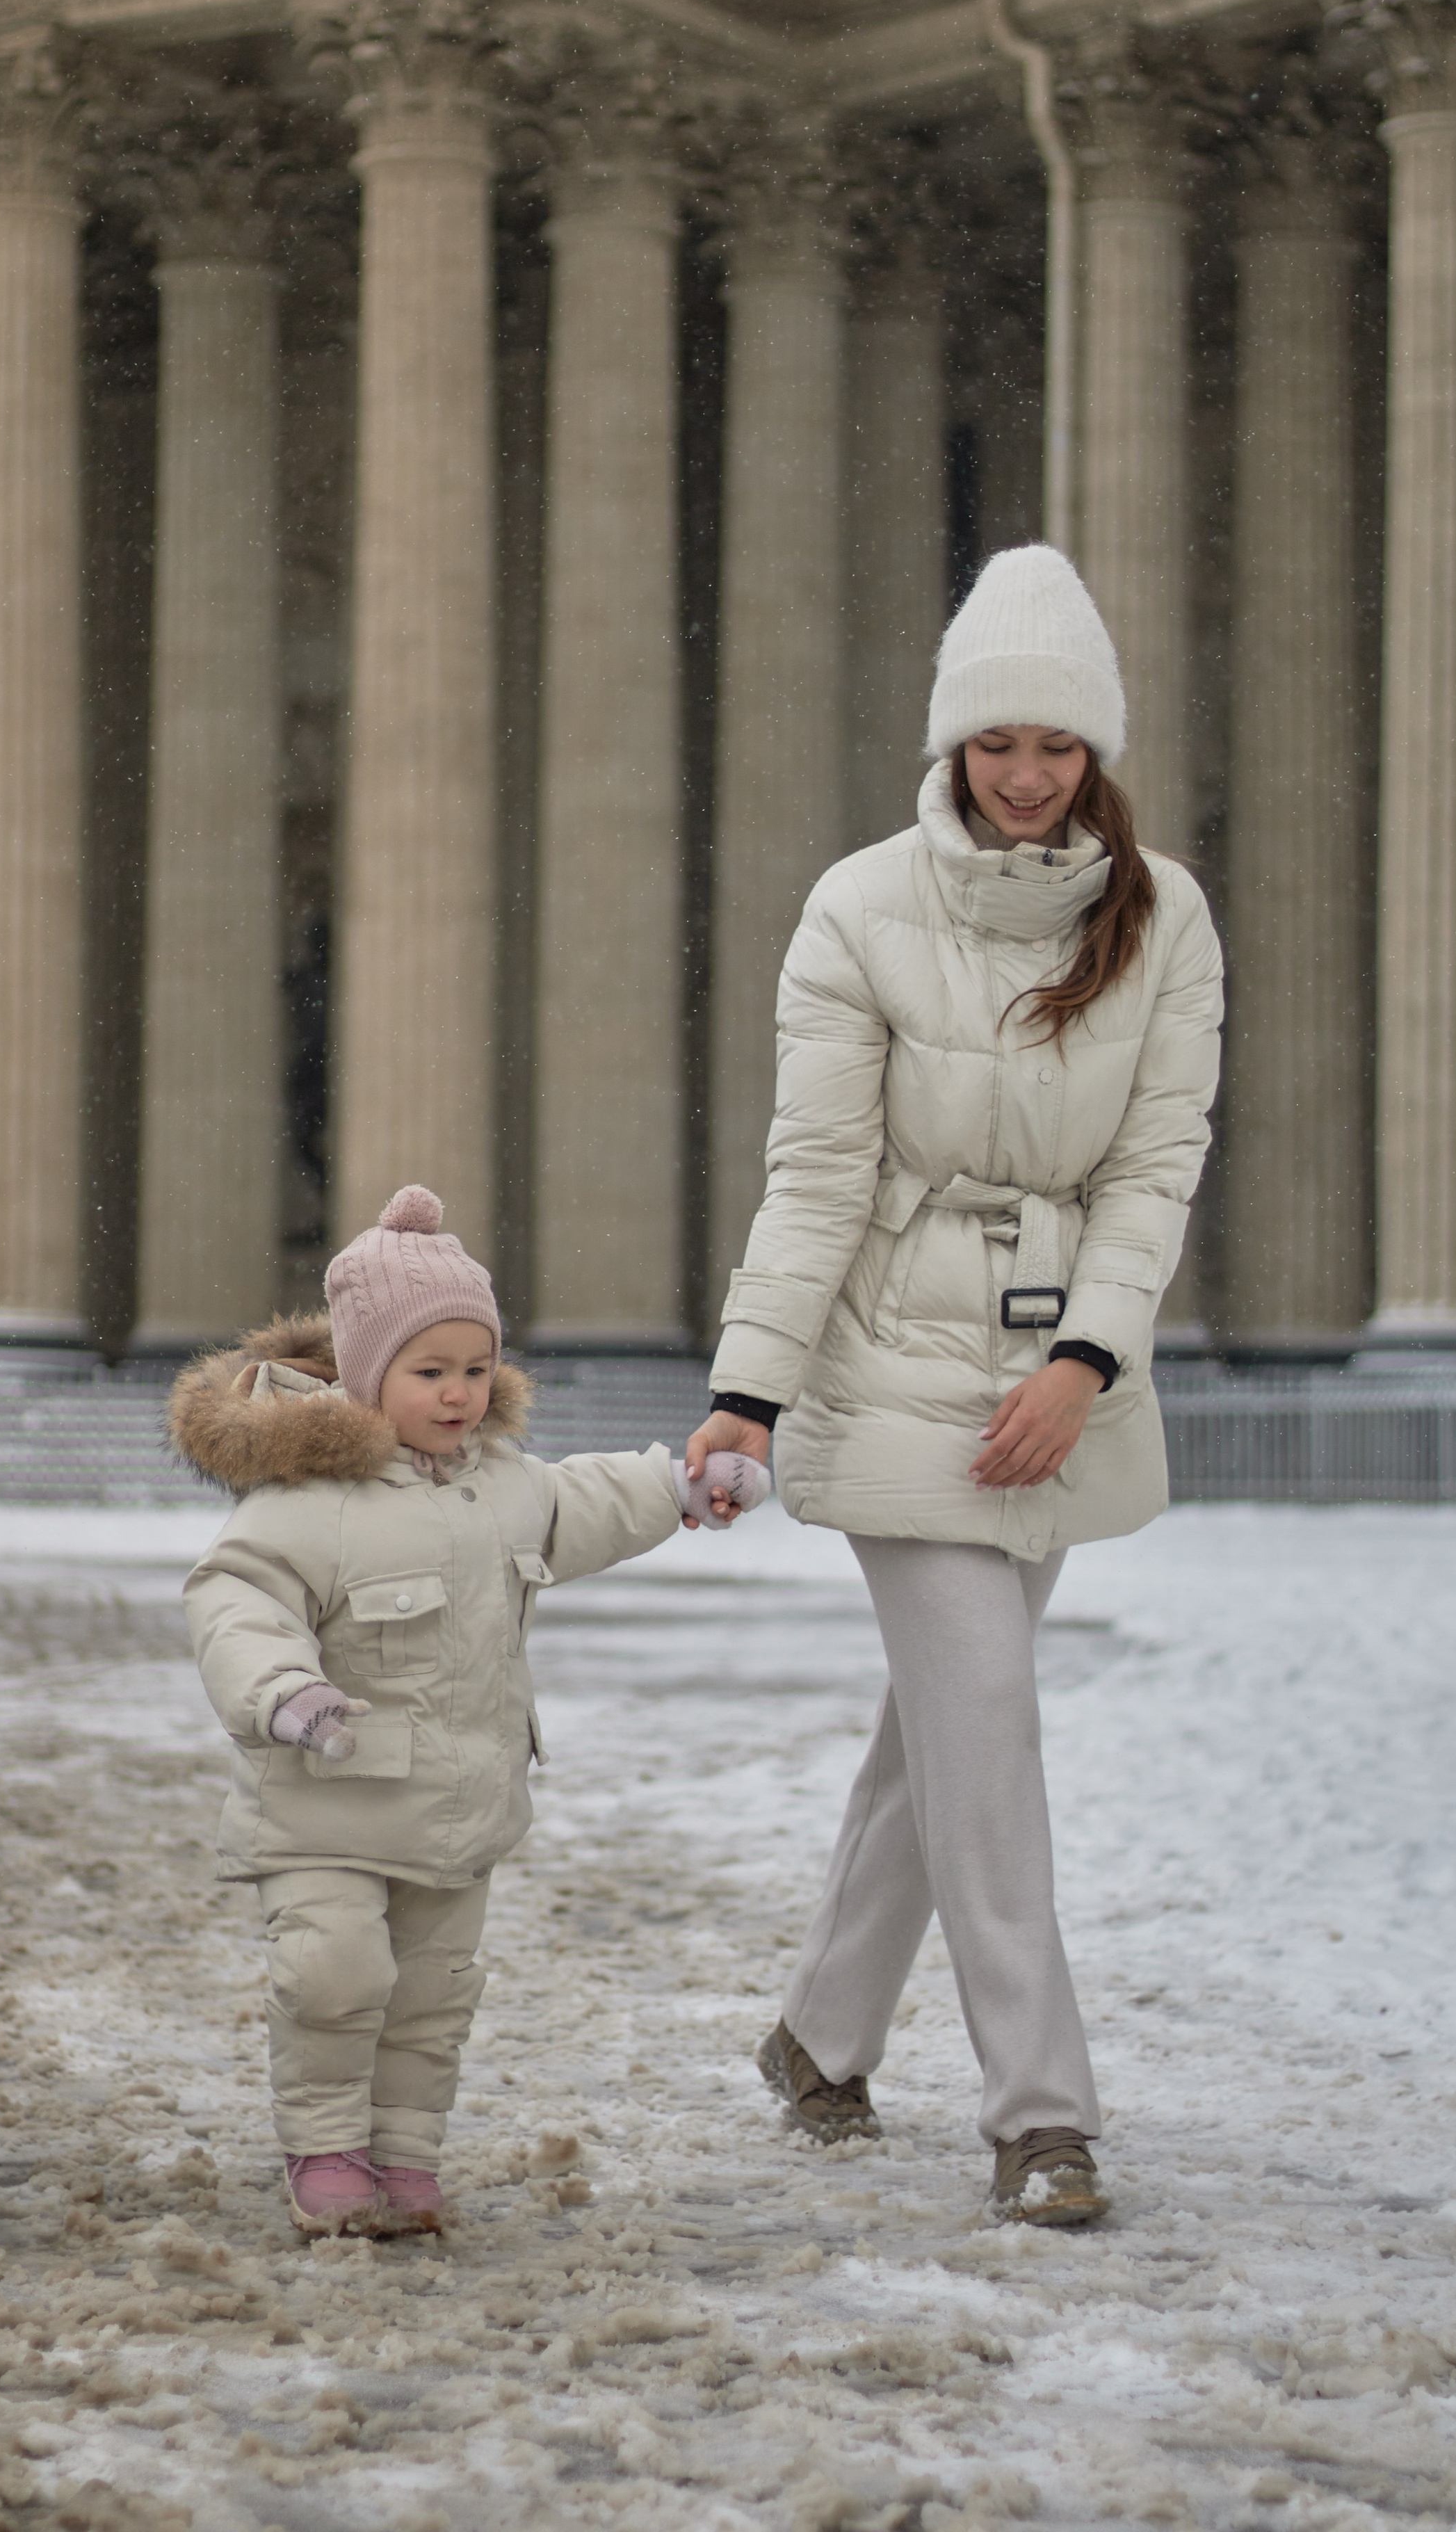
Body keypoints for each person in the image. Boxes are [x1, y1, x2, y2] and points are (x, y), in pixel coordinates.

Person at [685, 545, 1223, 2228]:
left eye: (1054, 746)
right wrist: (747, 1395)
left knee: (940, 1739)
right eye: (994, 742)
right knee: (985, 1725)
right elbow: (815, 1174)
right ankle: (1040, 2118)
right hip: (888, 1359)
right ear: (947, 745)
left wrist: (1083, 1362)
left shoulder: (1165, 914)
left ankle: (819, 2037)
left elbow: (1155, 1167)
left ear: (1094, 756)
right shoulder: (856, 906)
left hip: (1053, 1369)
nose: (1022, 775)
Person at [174, 1185, 767, 2238]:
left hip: (458, 1804)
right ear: (367, 1376)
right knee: (334, 1976)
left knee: (433, 1997)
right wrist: (285, 1693)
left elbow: (589, 1500)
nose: (459, 1395)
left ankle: (404, 2158)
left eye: (476, 1370)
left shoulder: (503, 1484)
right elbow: (237, 1599)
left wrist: (682, 1486)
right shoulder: (308, 1501)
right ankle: (325, 2146)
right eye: (429, 1372)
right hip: (327, 1799)